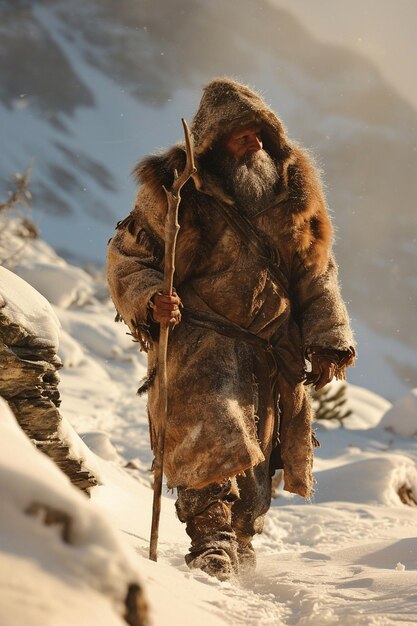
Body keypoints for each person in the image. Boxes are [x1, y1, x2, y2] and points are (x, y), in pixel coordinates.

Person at [106, 78, 355, 581]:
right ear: (213, 139)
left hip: (268, 348)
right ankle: (211, 537)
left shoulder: (293, 194)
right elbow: (129, 257)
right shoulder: (175, 191)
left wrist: (328, 337)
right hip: (200, 339)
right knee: (207, 432)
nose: (254, 142)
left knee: (256, 458)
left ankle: (238, 535)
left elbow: (316, 272)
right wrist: (152, 299)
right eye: (242, 134)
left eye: (261, 133)